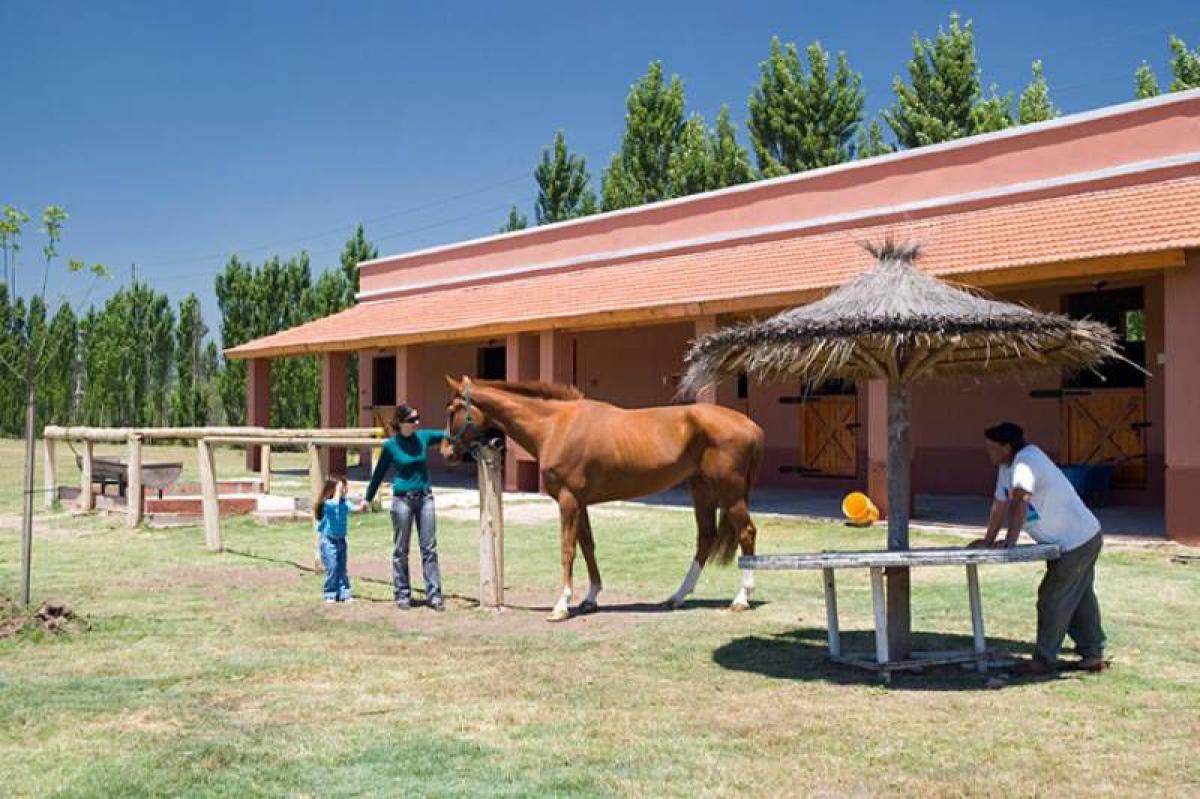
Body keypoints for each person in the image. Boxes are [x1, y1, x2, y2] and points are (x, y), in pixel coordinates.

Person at [972, 421, 1107, 675]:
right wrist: (988, 540)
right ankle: (1092, 653)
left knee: (1052, 598)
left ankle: (1044, 659)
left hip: (1078, 541)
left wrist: (1010, 540)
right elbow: (1000, 504)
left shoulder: (1026, 461)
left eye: (992, 448)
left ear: (1007, 446)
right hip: (1067, 543)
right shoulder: (1006, 466)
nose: (988, 453)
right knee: (1080, 599)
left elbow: (1021, 498)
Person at [366, 404, 448, 611]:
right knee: (401, 550)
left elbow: (449, 435)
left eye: (418, 418)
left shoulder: (423, 437)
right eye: (412, 420)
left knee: (429, 548)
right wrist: (368, 497)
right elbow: (379, 473)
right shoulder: (391, 446)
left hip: (425, 498)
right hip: (402, 501)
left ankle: (434, 595)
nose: (417, 423)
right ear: (401, 422)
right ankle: (402, 594)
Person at [314, 475, 367, 604]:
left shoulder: (344, 503)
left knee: (342, 568)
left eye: (345, 488)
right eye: (341, 488)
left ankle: (344, 593)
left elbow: (354, 509)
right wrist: (337, 492)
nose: (344, 490)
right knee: (332, 567)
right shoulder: (328, 505)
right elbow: (334, 504)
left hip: (341, 540)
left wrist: (362, 506)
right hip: (328, 541)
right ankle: (330, 593)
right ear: (333, 490)